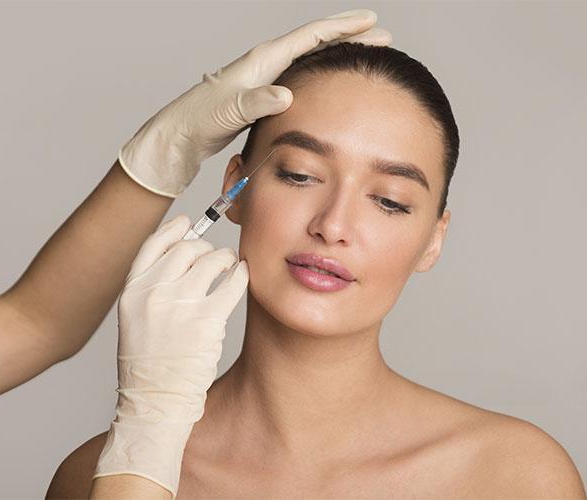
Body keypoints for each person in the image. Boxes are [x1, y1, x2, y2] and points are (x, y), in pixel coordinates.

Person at [48, 34, 586, 500]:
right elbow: (35, 322)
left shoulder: (512, 476)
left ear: (432, 241)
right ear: (235, 189)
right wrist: (144, 439)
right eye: (300, 175)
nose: (332, 224)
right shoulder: (104, 472)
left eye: (391, 201)